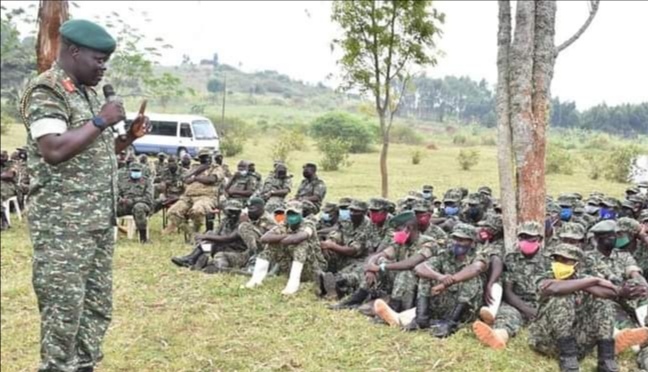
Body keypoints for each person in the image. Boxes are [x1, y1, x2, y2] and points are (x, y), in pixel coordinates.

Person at [19, 19, 150, 372]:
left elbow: (93, 153)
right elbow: (54, 149)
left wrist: (128, 139)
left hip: (96, 223)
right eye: (99, 59)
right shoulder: (47, 91)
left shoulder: (88, 92)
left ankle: (85, 365)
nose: (103, 67)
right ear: (73, 51)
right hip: (64, 228)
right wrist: (101, 121)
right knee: (64, 310)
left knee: (95, 307)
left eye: (106, 60)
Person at [528, 243, 620, 372]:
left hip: (579, 340)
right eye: (556, 259)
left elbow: (610, 293)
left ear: (578, 264)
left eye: (565, 260)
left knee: (602, 302)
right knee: (563, 297)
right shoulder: (544, 276)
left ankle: (606, 360)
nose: (559, 263)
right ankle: (568, 360)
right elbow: (555, 288)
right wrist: (595, 281)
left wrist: (585, 283)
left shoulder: (583, 278)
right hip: (547, 339)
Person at [381, 223, 483, 338]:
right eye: (455, 239)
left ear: (472, 242)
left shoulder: (479, 254)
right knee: (426, 276)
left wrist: (448, 282)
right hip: (444, 301)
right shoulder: (446, 254)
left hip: (465, 308)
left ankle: (451, 323)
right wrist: (440, 277)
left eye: (462, 240)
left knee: (470, 279)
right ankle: (421, 319)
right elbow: (420, 268)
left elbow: (476, 268)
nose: (457, 243)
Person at [331, 211, 437, 313]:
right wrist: (371, 267)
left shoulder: (428, 242)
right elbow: (379, 255)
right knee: (380, 261)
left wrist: (381, 267)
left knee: (405, 273)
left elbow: (410, 263)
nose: (395, 233)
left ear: (409, 228)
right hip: (400, 284)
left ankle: (395, 307)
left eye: (397, 230)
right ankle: (356, 298)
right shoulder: (400, 243)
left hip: (420, 286)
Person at [472, 222, 548, 349]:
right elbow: (508, 291)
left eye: (531, 238)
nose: (526, 241)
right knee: (506, 316)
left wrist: (537, 311)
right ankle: (498, 336)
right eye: (522, 237)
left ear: (539, 239)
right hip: (516, 302)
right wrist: (526, 309)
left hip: (540, 303)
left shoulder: (549, 260)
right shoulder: (511, 258)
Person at [245, 200, 327, 295]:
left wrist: (283, 238)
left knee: (301, 244)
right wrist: (284, 238)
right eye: (290, 214)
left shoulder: (308, 224)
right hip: (289, 267)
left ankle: (293, 285)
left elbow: (299, 237)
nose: (292, 217)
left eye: (295, 214)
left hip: (313, 268)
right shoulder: (284, 224)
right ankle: (256, 280)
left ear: (300, 213)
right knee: (271, 244)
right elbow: (264, 238)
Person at [204, 197, 278, 274]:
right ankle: (222, 268)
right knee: (221, 255)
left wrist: (244, 223)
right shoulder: (249, 217)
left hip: (262, 253)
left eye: (253, 208)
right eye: (249, 208)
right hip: (248, 253)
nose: (250, 210)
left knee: (244, 226)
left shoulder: (268, 220)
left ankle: (251, 265)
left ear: (262, 207)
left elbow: (271, 240)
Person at [164, 148, 225, 237]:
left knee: (197, 211)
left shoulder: (216, 168)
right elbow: (186, 179)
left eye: (207, 157)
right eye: (202, 157)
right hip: (188, 197)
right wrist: (198, 171)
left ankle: (196, 230)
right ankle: (192, 233)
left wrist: (196, 178)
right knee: (172, 213)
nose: (205, 159)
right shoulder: (194, 167)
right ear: (199, 158)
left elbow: (211, 179)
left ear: (211, 157)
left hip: (206, 197)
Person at [318, 200, 371, 299]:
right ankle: (323, 278)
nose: (352, 213)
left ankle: (335, 287)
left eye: (356, 211)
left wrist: (332, 246)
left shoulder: (368, 227)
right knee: (326, 252)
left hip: (360, 259)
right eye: (351, 210)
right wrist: (329, 243)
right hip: (343, 255)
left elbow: (354, 251)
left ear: (364, 212)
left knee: (349, 276)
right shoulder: (347, 222)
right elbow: (337, 234)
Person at [171, 199, 245, 269]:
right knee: (210, 236)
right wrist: (204, 239)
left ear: (240, 212)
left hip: (236, 250)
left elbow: (228, 238)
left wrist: (205, 237)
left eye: (235, 211)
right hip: (222, 246)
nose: (233, 214)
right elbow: (216, 234)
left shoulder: (242, 224)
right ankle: (192, 258)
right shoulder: (225, 221)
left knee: (209, 239)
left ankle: (192, 259)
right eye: (230, 211)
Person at [116, 162, 153, 243]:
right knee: (110, 208)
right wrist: (121, 200)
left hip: (142, 205)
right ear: (129, 171)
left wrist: (133, 201)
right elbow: (117, 194)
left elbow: (148, 198)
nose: (135, 173)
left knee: (139, 207)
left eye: (137, 171)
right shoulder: (123, 181)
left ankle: (143, 238)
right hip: (125, 205)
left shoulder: (147, 182)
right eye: (133, 171)